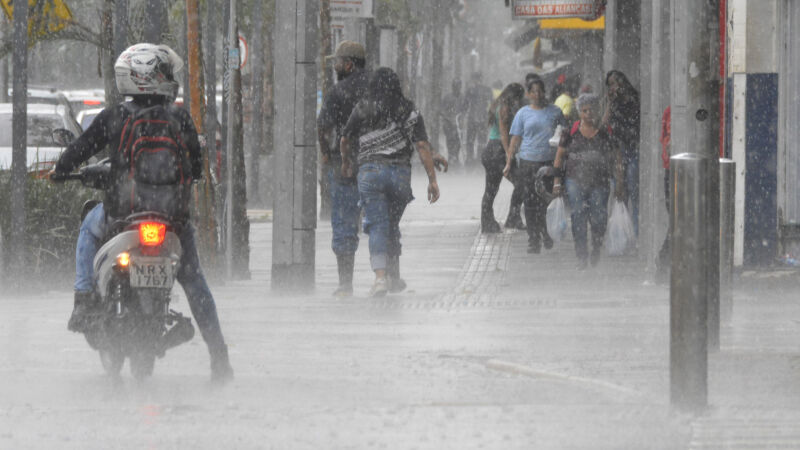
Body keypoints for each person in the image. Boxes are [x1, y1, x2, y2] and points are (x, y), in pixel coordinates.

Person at [49, 43, 233, 383]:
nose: (170, 78)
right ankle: (218, 354)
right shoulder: (179, 117)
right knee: (194, 281)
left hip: (124, 217)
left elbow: (78, 151)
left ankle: (83, 297)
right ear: (151, 77)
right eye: (165, 72)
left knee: (89, 228)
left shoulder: (115, 116)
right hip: (171, 222)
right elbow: (194, 166)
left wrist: (61, 170)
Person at [340, 68, 441, 297]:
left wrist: (346, 162)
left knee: (378, 225)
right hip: (399, 175)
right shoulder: (409, 111)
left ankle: (380, 278)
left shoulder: (363, 108)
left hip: (370, 173)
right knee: (391, 225)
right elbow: (422, 146)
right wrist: (432, 180)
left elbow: (345, 139)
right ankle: (394, 276)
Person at [318, 40, 370, 298]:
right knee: (383, 221)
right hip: (375, 161)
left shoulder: (337, 93)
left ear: (348, 65)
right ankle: (386, 276)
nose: (336, 66)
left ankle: (345, 283)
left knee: (343, 221)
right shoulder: (378, 87)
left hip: (345, 165)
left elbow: (323, 127)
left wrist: (327, 154)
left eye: (338, 62)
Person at [553, 93, 621, 269]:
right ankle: (582, 256)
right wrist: (557, 182)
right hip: (574, 181)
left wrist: (620, 181)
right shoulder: (570, 132)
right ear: (579, 113)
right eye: (585, 110)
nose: (589, 113)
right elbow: (559, 157)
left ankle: (596, 247)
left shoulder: (605, 133)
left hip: (600, 183)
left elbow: (617, 158)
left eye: (592, 110)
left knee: (599, 218)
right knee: (578, 217)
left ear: (598, 111)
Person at [504, 76, 567, 254]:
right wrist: (509, 162)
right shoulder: (522, 113)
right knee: (530, 202)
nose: (537, 94)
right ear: (528, 93)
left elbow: (564, 135)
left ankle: (545, 232)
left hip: (548, 162)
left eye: (540, 91)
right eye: (534, 91)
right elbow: (515, 139)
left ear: (544, 92)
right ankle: (533, 240)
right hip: (527, 163)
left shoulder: (555, 112)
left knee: (545, 202)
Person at [480, 82, 525, 233]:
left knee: (491, 189)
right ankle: (512, 217)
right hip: (498, 150)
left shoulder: (498, 104)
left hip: (491, 149)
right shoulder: (505, 107)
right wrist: (508, 154)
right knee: (521, 183)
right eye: (519, 97)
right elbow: (504, 132)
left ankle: (487, 221)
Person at [602, 70, 641, 236]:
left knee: (634, 189)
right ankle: (622, 233)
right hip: (616, 150)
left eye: (617, 82)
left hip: (632, 149)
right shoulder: (613, 103)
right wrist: (610, 102)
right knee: (619, 190)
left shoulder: (635, 99)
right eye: (611, 84)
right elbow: (603, 124)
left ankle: (636, 231)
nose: (615, 87)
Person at [463, 72, 494, 166]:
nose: (476, 82)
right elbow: (492, 104)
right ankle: (477, 159)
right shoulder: (486, 90)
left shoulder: (471, 90)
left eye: (476, 79)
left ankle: (472, 159)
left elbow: (465, 105)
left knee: (473, 141)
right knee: (478, 141)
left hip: (476, 118)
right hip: (480, 119)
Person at [440, 78, 465, 165]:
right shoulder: (447, 97)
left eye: (458, 86)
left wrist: (461, 118)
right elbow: (442, 110)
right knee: (450, 140)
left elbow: (464, 109)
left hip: (458, 124)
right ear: (452, 87)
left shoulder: (462, 97)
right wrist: (448, 118)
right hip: (448, 124)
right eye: (455, 86)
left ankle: (456, 156)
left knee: (458, 140)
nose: (457, 88)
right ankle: (451, 156)